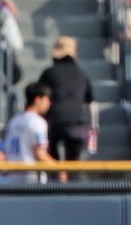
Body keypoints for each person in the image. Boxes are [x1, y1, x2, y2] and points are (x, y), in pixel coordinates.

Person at [37, 36, 97, 174]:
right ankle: (72, 187)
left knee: (53, 163)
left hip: (54, 123)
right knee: (73, 164)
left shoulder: (48, 73)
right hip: (77, 122)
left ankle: (56, 184)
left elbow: (39, 95)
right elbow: (90, 99)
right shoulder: (82, 74)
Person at [4, 83, 53, 182]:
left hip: (13, 177)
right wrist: (60, 169)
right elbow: (40, 154)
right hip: (31, 179)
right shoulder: (38, 122)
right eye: (47, 99)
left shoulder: (14, 120)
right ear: (38, 99)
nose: (49, 104)